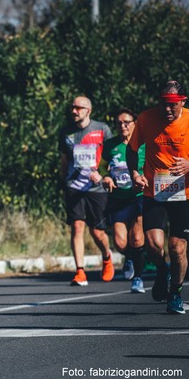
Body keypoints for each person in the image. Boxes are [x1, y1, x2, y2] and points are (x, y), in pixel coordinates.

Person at [127, 80, 189, 314]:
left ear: (183, 100)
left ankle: (175, 292)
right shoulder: (146, 118)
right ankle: (162, 272)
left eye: (173, 104)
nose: (167, 109)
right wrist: (134, 172)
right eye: (163, 103)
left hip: (185, 193)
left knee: (177, 248)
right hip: (155, 191)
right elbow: (131, 149)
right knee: (153, 245)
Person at [58, 95, 114, 286]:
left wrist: (104, 174)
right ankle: (80, 271)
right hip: (74, 186)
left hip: (96, 188)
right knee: (77, 226)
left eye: (79, 108)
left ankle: (107, 257)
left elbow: (112, 157)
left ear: (88, 111)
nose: (74, 111)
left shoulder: (102, 129)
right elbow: (64, 160)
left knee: (97, 231)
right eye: (72, 107)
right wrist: (63, 180)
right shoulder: (65, 132)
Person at [100, 108, 146, 293]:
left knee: (136, 237)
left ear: (135, 123)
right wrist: (106, 177)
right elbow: (102, 167)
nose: (122, 126)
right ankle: (129, 258)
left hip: (139, 196)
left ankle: (138, 278)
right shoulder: (110, 145)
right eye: (119, 123)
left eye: (126, 122)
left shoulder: (144, 144)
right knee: (120, 242)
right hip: (118, 198)